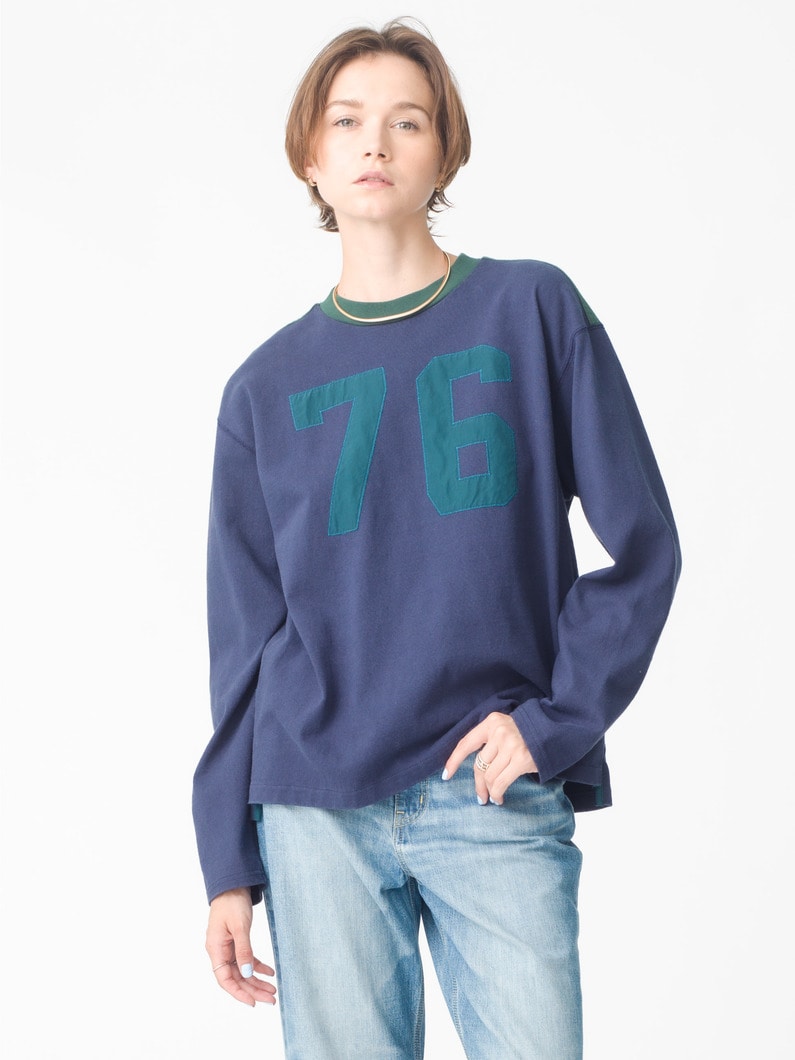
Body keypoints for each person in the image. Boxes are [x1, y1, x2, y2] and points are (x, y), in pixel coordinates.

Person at [192, 17, 681, 1060]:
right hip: (315, 804)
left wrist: (554, 723)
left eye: (406, 121)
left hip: (489, 785)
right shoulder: (262, 389)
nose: (374, 143)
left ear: (445, 151)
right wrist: (226, 858)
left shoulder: (531, 308)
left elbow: (643, 545)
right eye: (347, 122)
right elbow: (244, 641)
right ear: (309, 156)